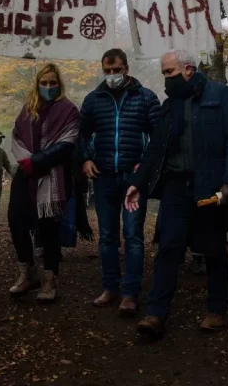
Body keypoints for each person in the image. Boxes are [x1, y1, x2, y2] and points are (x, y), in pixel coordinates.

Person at [125, 50, 228, 339]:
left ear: (188, 69)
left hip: (211, 186)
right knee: (169, 248)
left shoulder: (220, 96)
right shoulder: (170, 105)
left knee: (214, 249)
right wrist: (137, 182)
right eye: (164, 73)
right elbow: (155, 149)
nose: (165, 79)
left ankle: (216, 310)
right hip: (176, 187)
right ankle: (155, 314)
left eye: (169, 72)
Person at [79, 48, 161, 316]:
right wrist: (86, 159)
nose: (112, 75)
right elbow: (81, 134)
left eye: (117, 69)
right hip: (103, 178)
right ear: (102, 69)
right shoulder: (93, 100)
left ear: (126, 68)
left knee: (134, 236)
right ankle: (110, 288)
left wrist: (144, 167)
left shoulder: (146, 98)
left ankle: (130, 293)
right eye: (107, 70)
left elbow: (159, 138)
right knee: (106, 236)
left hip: (133, 181)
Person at [7, 63, 80, 304]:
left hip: (52, 175)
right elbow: (16, 136)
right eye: (44, 83)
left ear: (59, 84)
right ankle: (27, 273)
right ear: (37, 84)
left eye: (52, 83)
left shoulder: (68, 110)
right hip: (25, 175)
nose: (48, 87)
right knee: (16, 222)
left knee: (48, 228)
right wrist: (26, 161)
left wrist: (37, 161)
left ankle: (50, 280)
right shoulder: (28, 109)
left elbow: (68, 141)